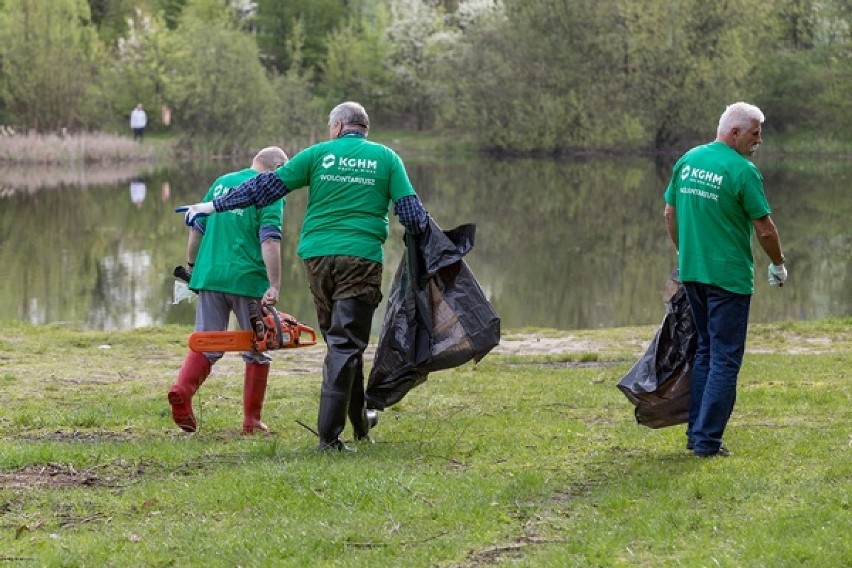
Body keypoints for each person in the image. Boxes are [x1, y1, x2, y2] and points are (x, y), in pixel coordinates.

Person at [177, 101, 429, 451]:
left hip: (318, 259)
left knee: (343, 342)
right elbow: (411, 214)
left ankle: (361, 424)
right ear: (360, 128)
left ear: (338, 126)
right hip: (361, 259)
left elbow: (262, 189)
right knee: (345, 343)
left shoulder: (316, 155)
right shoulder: (386, 158)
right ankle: (329, 438)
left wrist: (210, 206)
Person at [663, 101, 788, 458]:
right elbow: (764, 229)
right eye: (755, 133)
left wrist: (684, 251)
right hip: (728, 279)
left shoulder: (688, 161)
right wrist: (778, 263)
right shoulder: (742, 171)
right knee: (724, 359)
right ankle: (706, 442)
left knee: (705, 351)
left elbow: (669, 213)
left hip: (693, 274)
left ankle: (695, 433)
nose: (759, 140)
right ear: (734, 132)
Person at [168, 146, 288, 434]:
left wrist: (193, 267)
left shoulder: (221, 183)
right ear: (278, 168)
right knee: (258, 347)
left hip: (210, 275)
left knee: (207, 343)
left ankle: (182, 391)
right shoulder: (270, 188)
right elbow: (269, 240)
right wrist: (273, 284)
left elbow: (196, 227)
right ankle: (252, 421)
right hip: (246, 279)